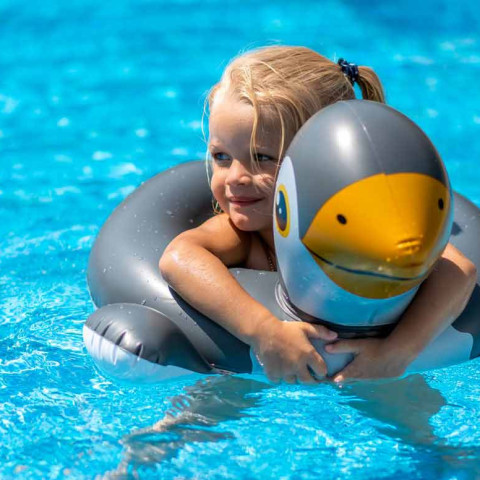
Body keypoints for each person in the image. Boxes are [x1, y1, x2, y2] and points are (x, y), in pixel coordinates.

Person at [159, 46, 476, 384]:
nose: (235, 177)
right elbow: (178, 257)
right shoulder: (241, 235)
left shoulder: (365, 232)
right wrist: (264, 331)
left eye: (263, 157)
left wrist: (398, 352)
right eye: (221, 156)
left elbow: (459, 271)